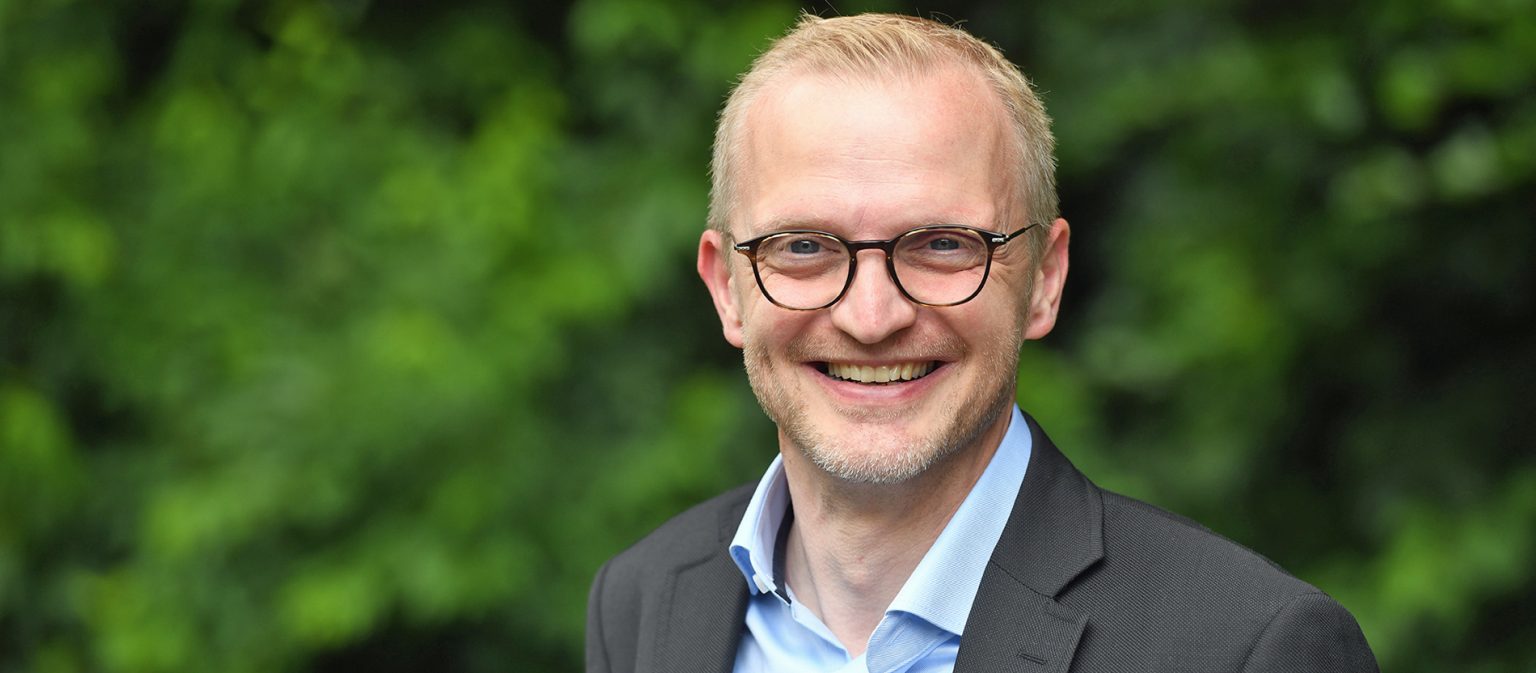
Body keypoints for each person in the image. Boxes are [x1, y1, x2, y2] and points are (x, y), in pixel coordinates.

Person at [586, 12, 1377, 673]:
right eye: (803, 247)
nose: (871, 317)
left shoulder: (1248, 648)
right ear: (727, 286)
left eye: (941, 244)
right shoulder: (643, 603)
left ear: (1044, 278)